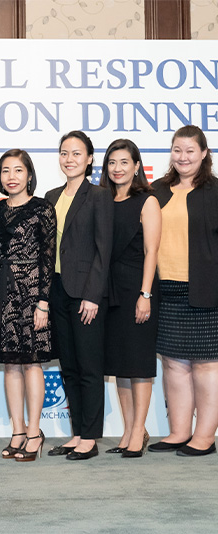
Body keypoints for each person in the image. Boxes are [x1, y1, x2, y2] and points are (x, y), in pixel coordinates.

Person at [149, 125, 218, 457]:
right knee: (173, 363)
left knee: (206, 365)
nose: (183, 157)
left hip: (206, 291)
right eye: (177, 150)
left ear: (203, 153)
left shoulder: (215, 191)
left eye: (190, 150)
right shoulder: (157, 190)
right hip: (165, 289)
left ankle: (204, 436)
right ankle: (179, 432)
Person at [0, 149, 55, 462]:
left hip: (32, 295)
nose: (11, 177)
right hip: (1, 293)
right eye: (5, 171)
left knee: (31, 363)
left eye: (18, 170)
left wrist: (43, 303)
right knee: (10, 364)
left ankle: (35, 433)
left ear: (29, 175)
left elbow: (49, 258)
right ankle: (18, 431)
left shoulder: (43, 208)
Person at [44, 131, 113, 461]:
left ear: (89, 159)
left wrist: (93, 295)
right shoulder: (51, 195)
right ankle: (77, 433)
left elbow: (103, 250)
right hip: (57, 290)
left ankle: (90, 437)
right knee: (69, 366)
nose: (69, 159)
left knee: (89, 367)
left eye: (76, 153)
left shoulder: (99, 196)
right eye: (64, 153)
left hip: (85, 293)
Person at [99, 139, 161, 458]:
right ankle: (127, 430)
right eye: (112, 162)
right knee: (119, 364)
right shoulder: (102, 200)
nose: (117, 168)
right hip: (109, 291)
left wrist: (145, 294)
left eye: (124, 162)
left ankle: (139, 430)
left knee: (138, 362)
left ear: (136, 166)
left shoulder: (147, 201)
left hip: (138, 287)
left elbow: (152, 251)